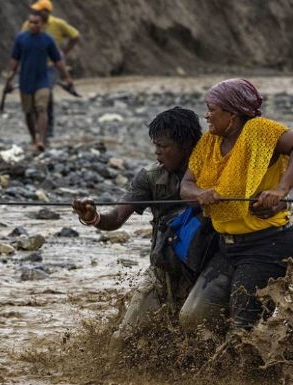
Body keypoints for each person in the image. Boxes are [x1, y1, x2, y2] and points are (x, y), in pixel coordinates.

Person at [179, 78, 293, 333]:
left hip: (267, 247)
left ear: (232, 113)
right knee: (192, 318)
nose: (206, 115)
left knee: (244, 329)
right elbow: (186, 185)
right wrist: (199, 194)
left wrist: (280, 190)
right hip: (227, 247)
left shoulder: (259, 130)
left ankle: (250, 371)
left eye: (212, 109)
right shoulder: (209, 142)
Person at [72, 107, 202, 344]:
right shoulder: (150, 177)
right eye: (156, 146)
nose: (157, 153)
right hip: (163, 272)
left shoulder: (217, 174)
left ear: (187, 145)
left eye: (163, 146)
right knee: (122, 341)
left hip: (204, 273)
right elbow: (117, 218)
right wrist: (93, 217)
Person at [4, 11, 73, 151]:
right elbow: (14, 59)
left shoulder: (48, 40)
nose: (33, 25)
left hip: (42, 79)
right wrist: (9, 79)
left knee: (42, 108)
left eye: (36, 22)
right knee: (28, 111)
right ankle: (33, 139)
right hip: (25, 80)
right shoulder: (21, 39)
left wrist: (67, 77)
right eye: (30, 22)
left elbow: (57, 60)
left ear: (42, 24)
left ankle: (41, 140)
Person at [25, 0, 81, 139]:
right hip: (33, 66)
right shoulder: (29, 25)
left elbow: (75, 36)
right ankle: (40, 129)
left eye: (39, 10)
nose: (35, 13)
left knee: (45, 93)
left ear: (46, 12)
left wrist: (64, 52)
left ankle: (47, 130)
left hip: (51, 66)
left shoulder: (57, 24)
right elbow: (22, 41)